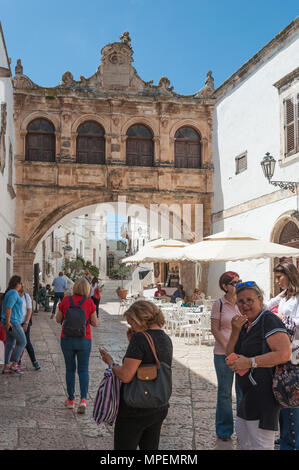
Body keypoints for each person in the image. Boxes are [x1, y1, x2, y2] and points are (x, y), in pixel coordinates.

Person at [226, 281, 291, 450]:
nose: (245, 305)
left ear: (260, 300)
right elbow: (229, 355)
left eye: (250, 300)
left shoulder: (268, 321)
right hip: (248, 393)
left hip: (264, 394)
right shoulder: (245, 324)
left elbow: (284, 354)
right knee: (245, 441)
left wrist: (249, 362)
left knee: (261, 445)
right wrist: (234, 331)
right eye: (241, 301)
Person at [100, 300, 173, 450]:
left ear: (138, 319)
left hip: (135, 408)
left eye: (131, 323)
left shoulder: (139, 338)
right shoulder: (166, 338)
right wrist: (131, 342)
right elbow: (148, 360)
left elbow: (126, 375)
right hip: (158, 405)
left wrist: (111, 364)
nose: (130, 326)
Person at [265, 262, 299, 451]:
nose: (277, 281)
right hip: (284, 354)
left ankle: (292, 442)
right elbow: (266, 306)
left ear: (289, 275)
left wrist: (282, 320)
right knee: (283, 398)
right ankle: (285, 436)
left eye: (279, 277)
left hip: (295, 355)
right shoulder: (285, 296)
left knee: (292, 400)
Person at [56, 278, 98, 414]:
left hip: (67, 339)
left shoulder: (66, 301)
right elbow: (95, 322)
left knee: (70, 369)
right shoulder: (89, 302)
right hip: (84, 340)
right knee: (83, 370)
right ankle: (84, 400)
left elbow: (58, 319)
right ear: (86, 289)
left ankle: (71, 400)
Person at [210, 271, 242, 441]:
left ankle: (243, 428)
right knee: (224, 392)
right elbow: (215, 329)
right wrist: (228, 349)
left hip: (242, 353)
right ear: (225, 286)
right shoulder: (219, 304)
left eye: (239, 281)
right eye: (234, 282)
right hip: (223, 354)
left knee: (243, 391)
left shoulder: (243, 302)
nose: (238, 284)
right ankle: (224, 430)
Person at [1, 275, 27, 375]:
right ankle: (14, 364)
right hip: (13, 323)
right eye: (21, 283)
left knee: (10, 344)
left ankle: (6, 366)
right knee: (23, 342)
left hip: (10, 322)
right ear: (17, 283)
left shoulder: (11, 292)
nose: (22, 285)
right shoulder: (13, 293)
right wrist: (8, 323)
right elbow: (9, 308)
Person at [18, 285, 40, 371]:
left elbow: (29, 310)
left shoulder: (26, 296)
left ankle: (34, 361)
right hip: (16, 323)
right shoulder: (13, 295)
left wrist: (26, 323)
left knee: (27, 342)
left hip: (24, 322)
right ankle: (17, 361)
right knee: (17, 343)